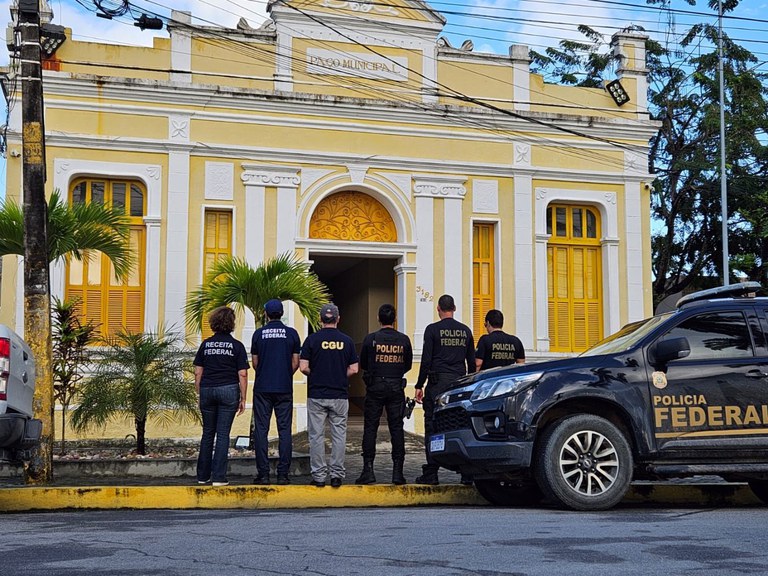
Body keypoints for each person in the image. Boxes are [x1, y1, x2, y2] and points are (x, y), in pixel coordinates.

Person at [414, 294, 475, 485]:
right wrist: (470, 385)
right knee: (461, 426)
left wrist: (419, 385)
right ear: (454, 308)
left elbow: (426, 360)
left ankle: (431, 472)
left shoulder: (432, 330)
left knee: (433, 427)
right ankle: (467, 473)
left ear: (438, 309)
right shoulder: (465, 331)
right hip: (459, 385)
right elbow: (471, 363)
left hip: (437, 385)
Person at [300, 303, 359, 488]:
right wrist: (340, 375)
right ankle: (336, 475)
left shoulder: (311, 340)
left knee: (316, 436)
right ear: (338, 319)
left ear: (320, 320)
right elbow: (354, 369)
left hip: (317, 393)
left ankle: (318, 476)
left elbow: (303, 367)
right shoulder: (347, 341)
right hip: (339, 394)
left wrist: (316, 374)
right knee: (339, 435)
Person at [356, 304, 413, 486]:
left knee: (370, 427)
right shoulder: (403, 340)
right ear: (394, 319)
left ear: (379, 319)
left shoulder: (371, 339)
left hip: (375, 387)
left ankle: (368, 470)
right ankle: (398, 473)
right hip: (396, 386)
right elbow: (408, 365)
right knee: (396, 428)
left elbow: (363, 362)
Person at [194, 306, 249, 487]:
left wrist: (199, 392)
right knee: (223, 434)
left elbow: (198, 372)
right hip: (228, 390)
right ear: (231, 324)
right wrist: (243, 397)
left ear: (213, 323)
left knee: (208, 433)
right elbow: (242, 374)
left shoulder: (206, 344)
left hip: (208, 389)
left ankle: (202, 476)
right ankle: (218, 477)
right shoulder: (237, 346)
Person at [250, 299, 301, 485]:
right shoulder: (292, 334)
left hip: (263, 387)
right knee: (285, 430)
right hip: (284, 387)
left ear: (266, 314)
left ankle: (263, 474)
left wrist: (265, 372)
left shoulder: (258, 334)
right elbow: (295, 362)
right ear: (281, 313)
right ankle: (283, 475)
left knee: (261, 431)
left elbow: (255, 363)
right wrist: (286, 374)